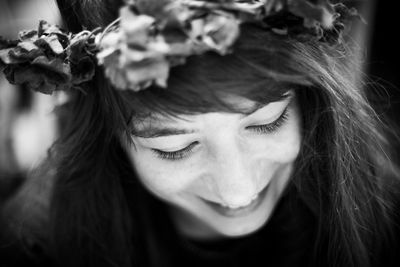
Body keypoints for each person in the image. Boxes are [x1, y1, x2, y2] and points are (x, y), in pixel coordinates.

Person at [0, 0, 399, 267]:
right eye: (175, 148)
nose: (238, 191)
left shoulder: (382, 205)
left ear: (309, 101)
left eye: (267, 122)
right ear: (107, 131)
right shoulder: (36, 244)